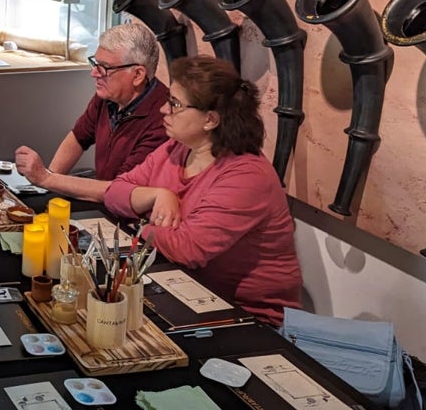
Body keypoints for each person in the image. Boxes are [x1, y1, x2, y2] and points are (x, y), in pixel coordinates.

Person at [103, 55, 302, 325]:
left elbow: (188, 248)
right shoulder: (178, 148)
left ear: (210, 119)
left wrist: (137, 224)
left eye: (174, 104)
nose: (163, 110)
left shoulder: (246, 175)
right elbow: (116, 190)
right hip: (185, 289)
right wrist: (158, 194)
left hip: (247, 317)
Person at [15, 22, 169, 201]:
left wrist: (46, 179)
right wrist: (46, 184)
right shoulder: (108, 96)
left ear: (137, 75)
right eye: (95, 63)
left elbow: (120, 190)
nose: (94, 73)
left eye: (104, 67)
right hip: (104, 196)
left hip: (124, 210)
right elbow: (79, 137)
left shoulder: (162, 120)